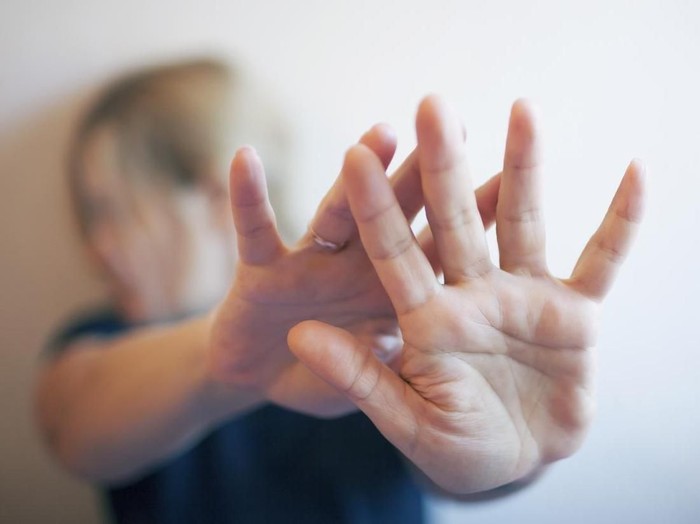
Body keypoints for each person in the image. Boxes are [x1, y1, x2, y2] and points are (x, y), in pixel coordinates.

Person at [34, 58, 644, 523]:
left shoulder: (387, 327)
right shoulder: (103, 342)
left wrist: (517, 445)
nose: (96, 249)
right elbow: (69, 426)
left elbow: (467, 469)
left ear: (215, 195)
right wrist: (226, 364)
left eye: (110, 212)